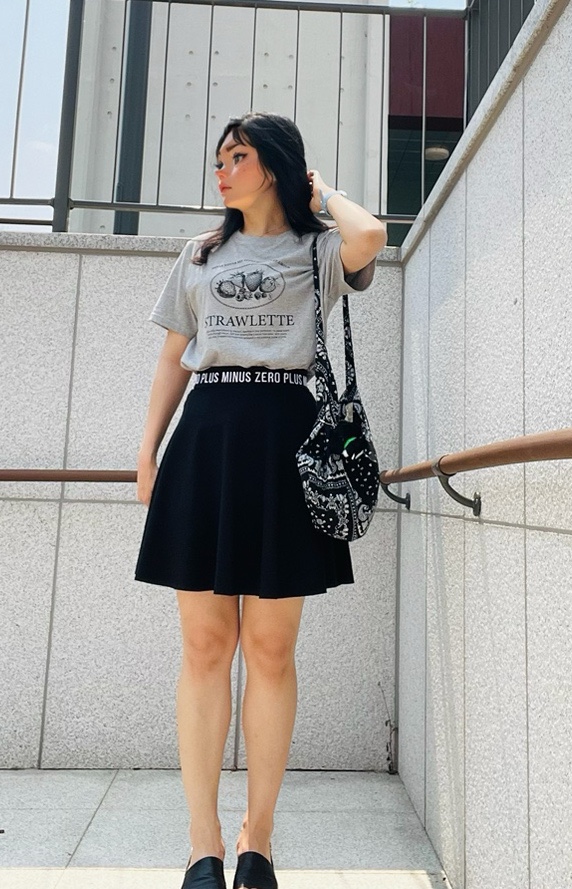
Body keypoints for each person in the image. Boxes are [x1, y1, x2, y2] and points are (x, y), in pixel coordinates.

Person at [134, 111, 387, 889]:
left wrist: (322, 191)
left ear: (274, 166)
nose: (221, 170)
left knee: (272, 649)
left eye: (237, 156)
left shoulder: (318, 250)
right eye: (219, 158)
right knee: (205, 647)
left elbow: (372, 235)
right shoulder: (201, 254)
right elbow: (173, 359)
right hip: (207, 437)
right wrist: (147, 449)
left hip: (286, 439)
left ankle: (259, 838)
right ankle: (202, 842)